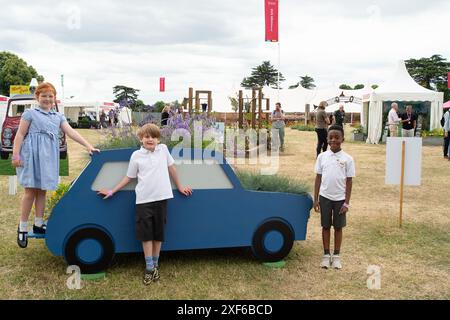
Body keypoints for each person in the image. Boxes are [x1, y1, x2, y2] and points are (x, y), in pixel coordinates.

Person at [97, 123, 192, 285]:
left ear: (158, 139)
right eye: (147, 136)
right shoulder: (136, 156)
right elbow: (129, 177)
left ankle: (155, 264)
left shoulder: (163, 150)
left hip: (162, 198)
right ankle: (149, 267)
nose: (151, 139)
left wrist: (180, 186)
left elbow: (172, 169)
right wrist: (112, 191)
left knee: (158, 233)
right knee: (146, 234)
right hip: (144, 200)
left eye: (154, 137)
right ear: (141, 139)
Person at [12, 82, 99, 248]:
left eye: (50, 96)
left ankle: (38, 224)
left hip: (47, 157)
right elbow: (20, 135)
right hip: (31, 156)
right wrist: (16, 155)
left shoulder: (58, 117)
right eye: (43, 95)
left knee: (43, 190)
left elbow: (71, 132)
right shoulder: (30, 113)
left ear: (54, 98)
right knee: (30, 191)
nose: (47, 98)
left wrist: (88, 145)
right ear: (37, 97)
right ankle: (22, 227)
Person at [314, 125, 355, 270]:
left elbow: (349, 181)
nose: (333, 140)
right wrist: (316, 199)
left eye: (337, 137)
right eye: (331, 137)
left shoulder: (348, 159)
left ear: (342, 139)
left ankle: (336, 256)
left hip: (340, 200)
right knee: (325, 226)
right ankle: (326, 255)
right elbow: (318, 178)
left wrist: (347, 203)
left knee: (338, 227)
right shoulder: (322, 157)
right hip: (325, 198)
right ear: (327, 139)